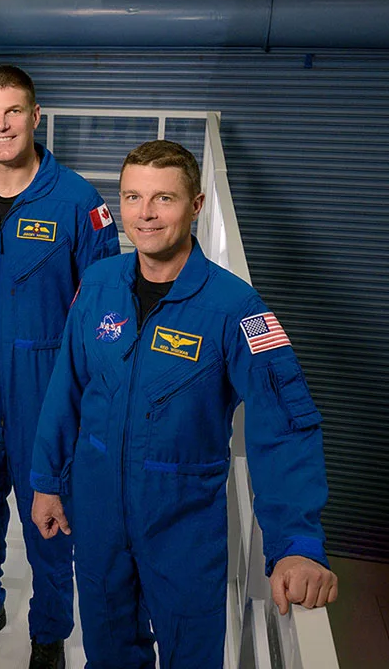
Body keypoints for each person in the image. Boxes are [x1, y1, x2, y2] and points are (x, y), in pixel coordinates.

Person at [30, 140, 338, 668]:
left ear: (195, 205)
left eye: (163, 199)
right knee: (106, 647)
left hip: (182, 522)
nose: (144, 215)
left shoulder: (236, 308)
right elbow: (68, 387)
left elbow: (284, 423)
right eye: (132, 197)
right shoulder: (99, 285)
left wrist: (296, 543)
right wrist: (47, 481)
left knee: (190, 655)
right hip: (99, 508)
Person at [0, 65, 120, 669]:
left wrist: (88, 398)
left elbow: (101, 314)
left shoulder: (78, 202)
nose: (2, 125)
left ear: (35, 117)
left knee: (50, 518)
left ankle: (48, 632)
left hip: (45, 389)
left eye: (14, 112)